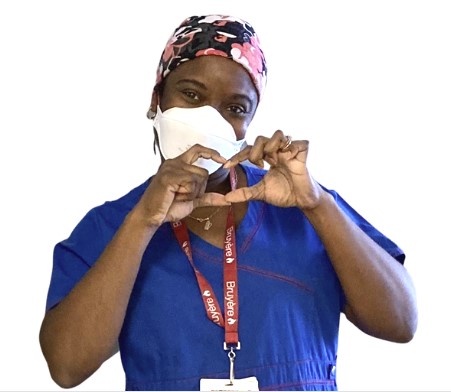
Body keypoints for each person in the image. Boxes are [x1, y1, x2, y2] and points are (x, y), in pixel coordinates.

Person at [39, 14, 418, 391]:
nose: (209, 118)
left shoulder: (305, 208)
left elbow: (400, 323)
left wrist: (317, 204)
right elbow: (67, 367)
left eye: (235, 108)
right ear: (157, 100)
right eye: (191, 94)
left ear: (251, 119)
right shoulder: (113, 225)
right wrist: (144, 221)